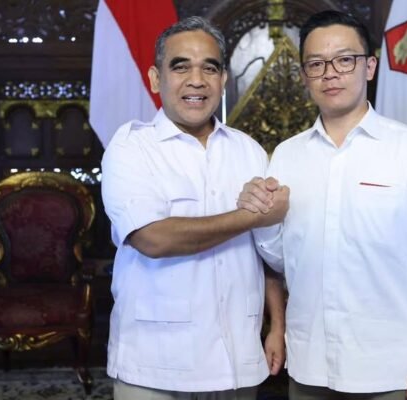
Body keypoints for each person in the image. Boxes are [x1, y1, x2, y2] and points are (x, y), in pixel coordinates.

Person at [239, 10, 407, 400]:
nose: (330, 73)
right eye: (316, 64)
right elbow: (283, 260)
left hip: (395, 368)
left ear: (370, 67)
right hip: (310, 364)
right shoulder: (287, 156)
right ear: (304, 75)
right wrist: (258, 215)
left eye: (345, 60)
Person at [101, 16, 289, 400]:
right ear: (156, 79)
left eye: (210, 68)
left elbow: (267, 253)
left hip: (237, 358)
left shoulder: (249, 150)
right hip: (156, 362)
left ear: (223, 80)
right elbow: (153, 238)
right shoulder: (131, 147)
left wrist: (278, 326)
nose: (197, 80)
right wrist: (249, 216)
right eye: (181, 67)